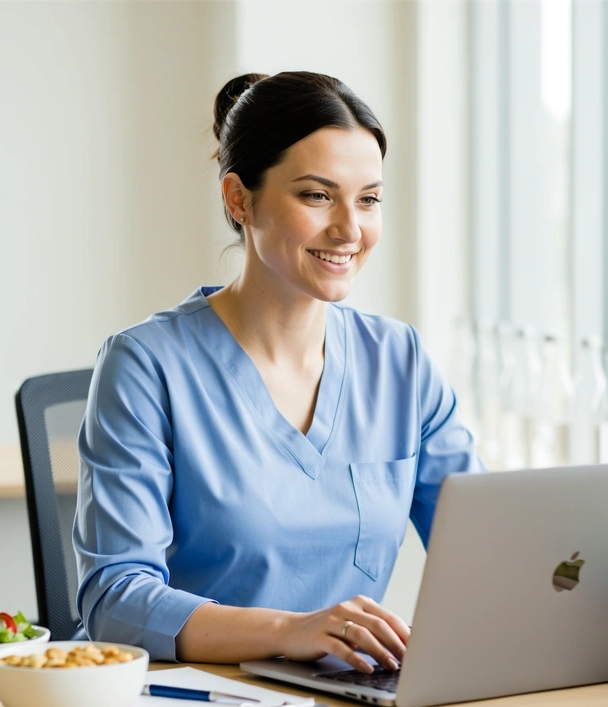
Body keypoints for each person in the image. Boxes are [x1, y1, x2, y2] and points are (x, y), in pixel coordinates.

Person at [73, 71, 483, 675]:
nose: (350, 229)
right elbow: (114, 600)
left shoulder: (400, 361)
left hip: (350, 700)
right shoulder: (146, 366)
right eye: (317, 196)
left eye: (368, 199)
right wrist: (294, 631)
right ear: (239, 198)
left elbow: (486, 549)